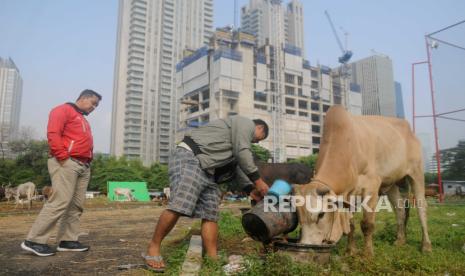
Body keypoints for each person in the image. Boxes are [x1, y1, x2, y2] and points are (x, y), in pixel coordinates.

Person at [142, 116, 270, 272]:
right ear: (259, 128)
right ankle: (153, 248)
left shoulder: (233, 143)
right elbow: (243, 152)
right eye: (258, 139)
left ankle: (212, 257)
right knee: (180, 204)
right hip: (191, 157)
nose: (255, 142)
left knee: (211, 214)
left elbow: (238, 168)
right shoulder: (245, 123)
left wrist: (251, 190)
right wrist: (259, 182)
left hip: (208, 170)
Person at [21, 89, 101, 257]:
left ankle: (68, 241)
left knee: (76, 205)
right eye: (93, 103)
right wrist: (63, 157)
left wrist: (88, 161)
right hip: (67, 162)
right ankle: (34, 240)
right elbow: (53, 133)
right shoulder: (62, 110)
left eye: (97, 105)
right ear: (83, 98)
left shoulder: (82, 119)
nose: (94, 107)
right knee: (60, 201)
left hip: (83, 165)